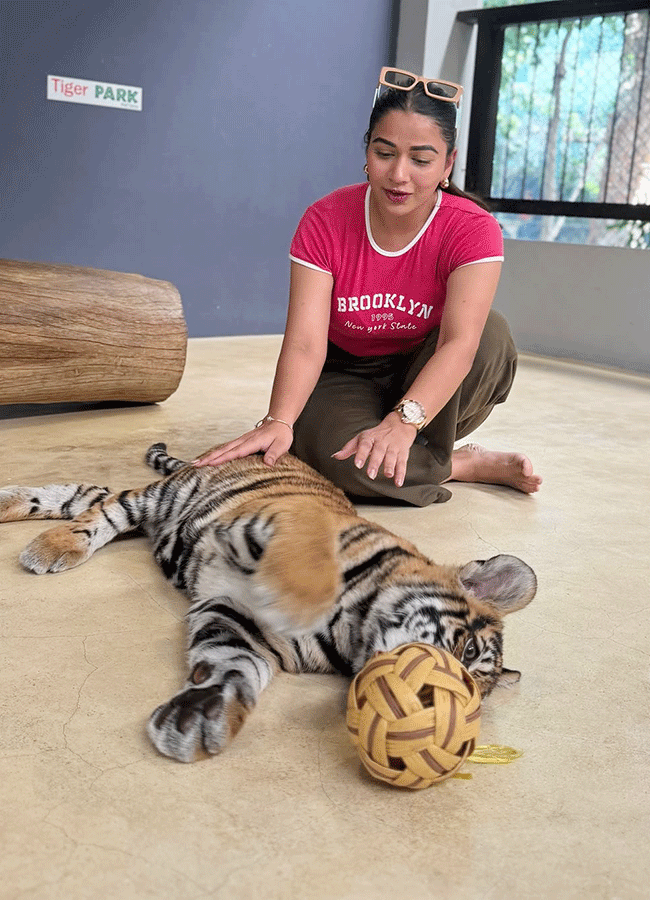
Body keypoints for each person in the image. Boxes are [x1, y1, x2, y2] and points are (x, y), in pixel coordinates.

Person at [194, 67, 542, 506]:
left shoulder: (472, 228)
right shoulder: (325, 219)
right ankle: (458, 464)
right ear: (366, 152)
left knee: (493, 334)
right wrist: (279, 421)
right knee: (346, 465)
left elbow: (460, 344)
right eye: (385, 152)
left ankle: (414, 446)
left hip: (426, 370)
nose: (399, 175)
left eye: (421, 159)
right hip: (346, 373)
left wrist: (404, 421)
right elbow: (305, 342)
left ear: (447, 164)